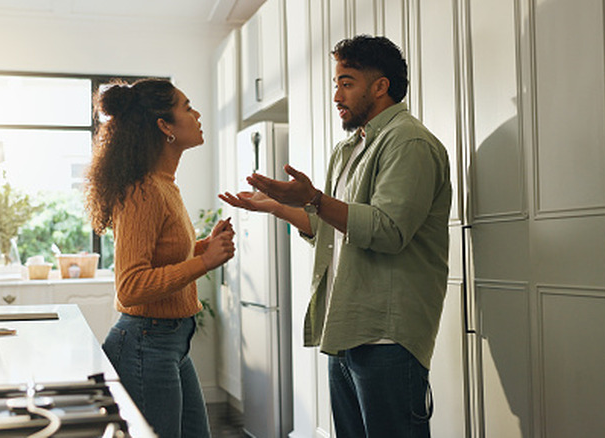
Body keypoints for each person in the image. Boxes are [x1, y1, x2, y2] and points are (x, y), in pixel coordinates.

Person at [220, 35, 451, 437]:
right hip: (346, 328)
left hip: (388, 336)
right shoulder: (349, 149)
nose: (336, 95)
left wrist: (312, 197)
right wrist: (279, 207)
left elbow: (388, 230)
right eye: (336, 83)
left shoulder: (408, 142)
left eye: (347, 82)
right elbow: (333, 231)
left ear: (380, 86)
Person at [86, 78, 235, 438]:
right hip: (144, 344)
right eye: (187, 107)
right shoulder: (144, 190)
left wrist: (203, 247)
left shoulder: (162, 183)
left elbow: (162, 256)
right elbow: (131, 286)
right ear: (165, 127)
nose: (197, 114)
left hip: (168, 341)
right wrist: (204, 262)